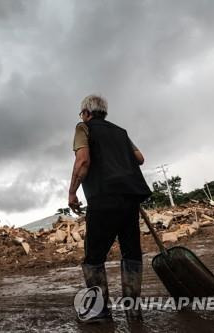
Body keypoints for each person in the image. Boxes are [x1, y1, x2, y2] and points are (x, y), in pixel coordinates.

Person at [68, 95, 151, 323]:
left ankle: (99, 310)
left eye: (81, 113)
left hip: (103, 197)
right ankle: (133, 310)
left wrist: (72, 192)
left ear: (86, 112)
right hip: (129, 198)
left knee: (94, 258)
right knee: (131, 253)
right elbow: (140, 158)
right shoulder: (120, 132)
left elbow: (83, 161)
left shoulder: (83, 127)